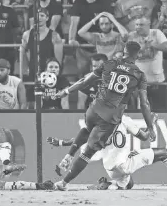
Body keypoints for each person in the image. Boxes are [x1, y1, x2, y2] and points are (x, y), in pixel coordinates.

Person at [52, 41, 156, 191]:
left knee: (87, 129)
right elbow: (144, 103)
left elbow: (84, 81)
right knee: (88, 153)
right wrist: (151, 127)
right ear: (137, 54)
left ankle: (69, 155)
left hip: (94, 109)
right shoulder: (139, 75)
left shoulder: (109, 63)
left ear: (123, 50)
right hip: (110, 117)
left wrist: (66, 91)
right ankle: (63, 183)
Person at [47, 114, 167, 190]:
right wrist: (151, 122)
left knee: (128, 184)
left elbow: (82, 138)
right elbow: (145, 136)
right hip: (125, 164)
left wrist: (62, 143)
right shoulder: (124, 120)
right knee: (164, 153)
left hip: (110, 168)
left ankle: (110, 185)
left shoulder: (98, 123)